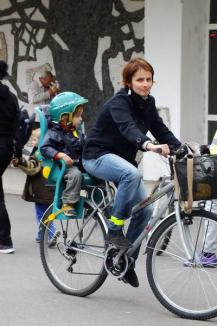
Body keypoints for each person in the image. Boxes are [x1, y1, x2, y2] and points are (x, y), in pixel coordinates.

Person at [82, 57, 181, 287]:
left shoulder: (148, 102)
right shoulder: (119, 103)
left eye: (148, 79)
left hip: (121, 161)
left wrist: (180, 146)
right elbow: (128, 128)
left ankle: (125, 261)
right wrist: (148, 145)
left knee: (145, 211)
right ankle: (115, 230)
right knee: (132, 174)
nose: (145, 84)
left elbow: (160, 128)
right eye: (140, 80)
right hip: (97, 156)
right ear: (129, 82)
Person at [40, 91, 88, 216]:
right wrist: (60, 155)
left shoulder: (76, 133)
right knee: (76, 175)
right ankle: (68, 203)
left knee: (99, 172)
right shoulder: (54, 133)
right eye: (78, 116)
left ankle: (100, 201)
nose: (81, 119)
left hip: (78, 164)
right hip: (62, 168)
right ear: (64, 117)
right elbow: (44, 148)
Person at [12, 129, 57, 245]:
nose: (32, 141)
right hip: (52, 190)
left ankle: (51, 234)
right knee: (47, 214)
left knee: (41, 214)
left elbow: (32, 168)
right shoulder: (53, 152)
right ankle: (41, 234)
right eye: (32, 139)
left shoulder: (39, 153)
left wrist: (20, 162)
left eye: (35, 139)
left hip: (40, 191)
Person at [0, 60, 20, 254]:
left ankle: (5, 240)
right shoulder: (12, 97)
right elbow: (18, 125)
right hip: (6, 148)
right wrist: (18, 151)